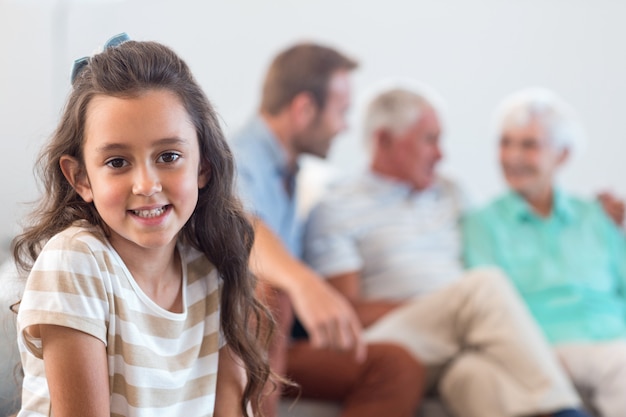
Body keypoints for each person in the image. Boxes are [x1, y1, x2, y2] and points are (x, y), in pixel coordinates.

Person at [11, 33, 272, 417]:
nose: (147, 185)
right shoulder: (75, 262)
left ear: (203, 165)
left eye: (168, 156)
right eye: (117, 162)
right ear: (81, 178)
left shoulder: (212, 270)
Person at [303, 82, 590, 417]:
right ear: (384, 140)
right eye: (430, 140)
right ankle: (572, 410)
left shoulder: (450, 192)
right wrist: (445, 309)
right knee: (483, 287)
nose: (441, 154)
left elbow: (508, 226)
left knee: (471, 377)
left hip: (458, 345)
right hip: (392, 339)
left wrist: (592, 212)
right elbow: (344, 310)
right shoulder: (338, 204)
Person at [230, 44, 425, 416]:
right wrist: (304, 284)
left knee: (396, 367)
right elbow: (241, 226)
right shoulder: (236, 158)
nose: (346, 126)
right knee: (273, 294)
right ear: (304, 109)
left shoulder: (290, 173)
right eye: (341, 111)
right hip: (239, 328)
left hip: (285, 335)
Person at [462, 87, 626, 417]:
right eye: (505, 143)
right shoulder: (482, 224)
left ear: (562, 155)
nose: (513, 157)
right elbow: (489, 310)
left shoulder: (596, 215)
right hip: (545, 348)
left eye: (529, 145)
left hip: (613, 339)